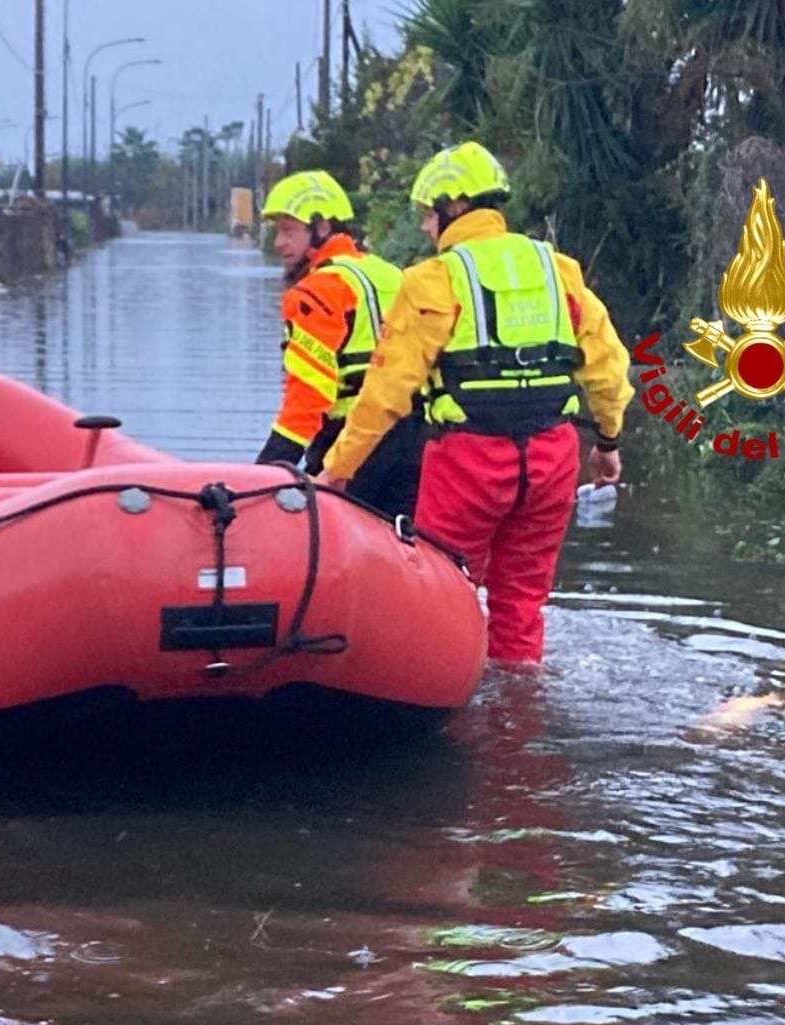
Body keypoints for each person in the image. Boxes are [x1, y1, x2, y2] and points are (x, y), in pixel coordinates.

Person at [318, 141, 632, 663]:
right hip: (554, 457)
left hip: (469, 461)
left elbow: (386, 391)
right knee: (522, 605)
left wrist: (339, 468)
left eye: (426, 215)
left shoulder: (433, 279)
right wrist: (607, 442)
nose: (423, 228)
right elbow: (608, 368)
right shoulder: (560, 270)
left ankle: (446, 714)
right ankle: (517, 713)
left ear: (454, 209)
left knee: (442, 595)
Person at [253, 170, 424, 518]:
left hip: (350, 446)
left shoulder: (316, 292)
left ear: (321, 228)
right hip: (417, 439)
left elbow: (308, 398)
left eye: (288, 230)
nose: (279, 244)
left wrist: (263, 473)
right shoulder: (391, 273)